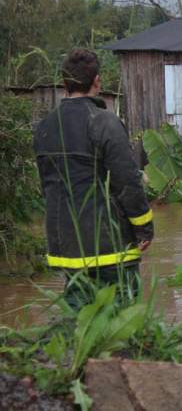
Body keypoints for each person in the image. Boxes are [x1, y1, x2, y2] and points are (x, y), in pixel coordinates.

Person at [33, 49, 154, 308]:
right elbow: (127, 183)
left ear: (64, 83)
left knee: (81, 326)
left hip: (66, 247)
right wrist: (144, 227)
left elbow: (47, 186)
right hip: (110, 246)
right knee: (123, 325)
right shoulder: (105, 122)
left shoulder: (44, 127)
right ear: (97, 81)